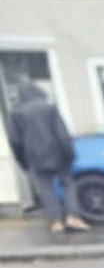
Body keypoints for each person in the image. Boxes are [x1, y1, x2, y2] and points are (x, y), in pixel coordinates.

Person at [6, 82, 88, 234]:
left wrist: (23, 161)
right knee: (67, 184)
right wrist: (70, 154)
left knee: (46, 188)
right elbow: (62, 134)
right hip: (58, 155)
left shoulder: (16, 113)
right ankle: (73, 217)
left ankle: (56, 222)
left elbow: (15, 141)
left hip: (34, 158)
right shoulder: (50, 108)